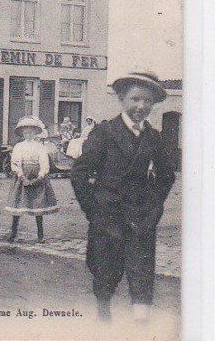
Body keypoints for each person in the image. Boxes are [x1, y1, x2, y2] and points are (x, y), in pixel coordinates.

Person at [70, 71, 176, 323]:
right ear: (121, 98)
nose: (141, 106)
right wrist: (92, 209)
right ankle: (103, 316)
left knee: (142, 270)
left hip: (141, 217)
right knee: (106, 268)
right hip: (107, 215)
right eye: (135, 99)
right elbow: (79, 173)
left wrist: (154, 206)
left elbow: (166, 176)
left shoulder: (153, 137)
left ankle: (142, 326)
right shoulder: (105, 132)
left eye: (148, 101)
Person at [5, 116, 58, 243]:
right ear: (22, 133)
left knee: (38, 205)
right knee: (18, 204)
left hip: (37, 177)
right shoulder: (19, 146)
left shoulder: (40, 147)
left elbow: (44, 162)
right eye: (25, 132)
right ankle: (13, 232)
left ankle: (40, 235)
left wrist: (40, 176)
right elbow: (16, 162)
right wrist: (22, 177)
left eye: (30, 132)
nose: (28, 134)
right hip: (23, 176)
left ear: (35, 133)